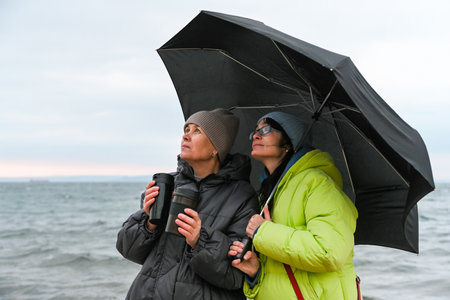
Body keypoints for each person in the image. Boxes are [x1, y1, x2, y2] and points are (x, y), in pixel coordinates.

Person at [117, 108, 258, 300]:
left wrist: (199, 240)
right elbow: (129, 251)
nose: (186, 136)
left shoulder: (241, 196)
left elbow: (235, 275)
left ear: (216, 148)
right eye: (186, 130)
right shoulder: (167, 184)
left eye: (197, 131)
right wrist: (148, 221)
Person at [228, 112, 360, 300]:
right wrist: (255, 272)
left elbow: (329, 252)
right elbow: (281, 266)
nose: (256, 135)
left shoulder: (318, 184)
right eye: (255, 131)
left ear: (288, 143)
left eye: (265, 129)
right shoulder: (266, 193)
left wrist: (264, 233)